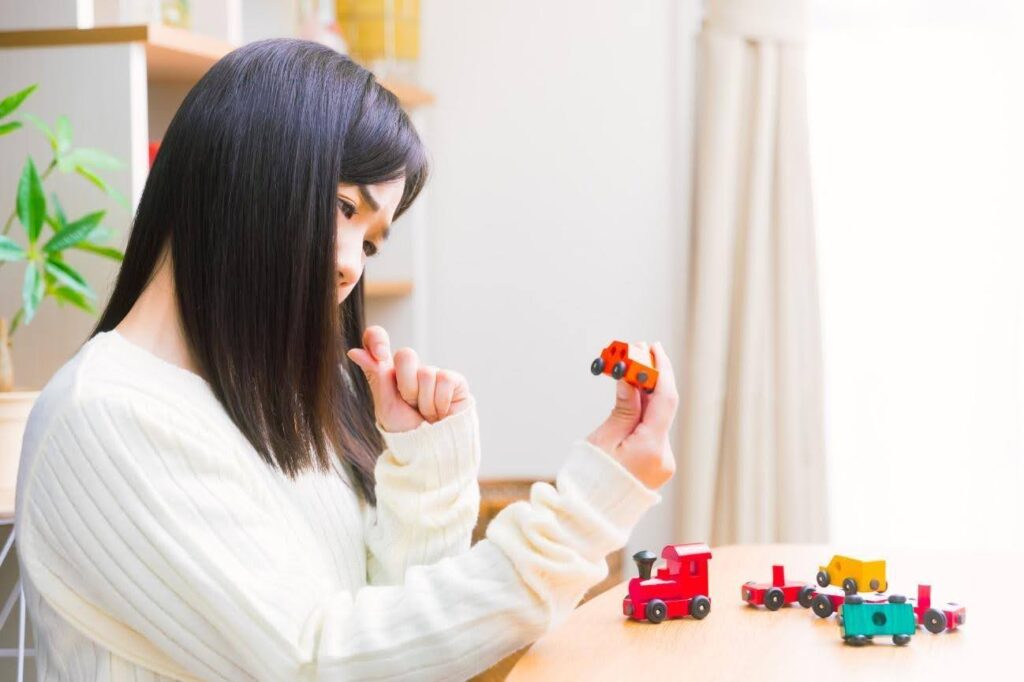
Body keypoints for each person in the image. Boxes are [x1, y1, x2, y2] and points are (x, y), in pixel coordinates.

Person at [15, 39, 677, 681]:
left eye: (372, 244)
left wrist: (422, 472)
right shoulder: (105, 418)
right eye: (342, 207)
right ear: (247, 166)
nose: (348, 266)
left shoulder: (279, 402)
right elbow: (321, 662)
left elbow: (401, 645)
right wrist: (585, 513)